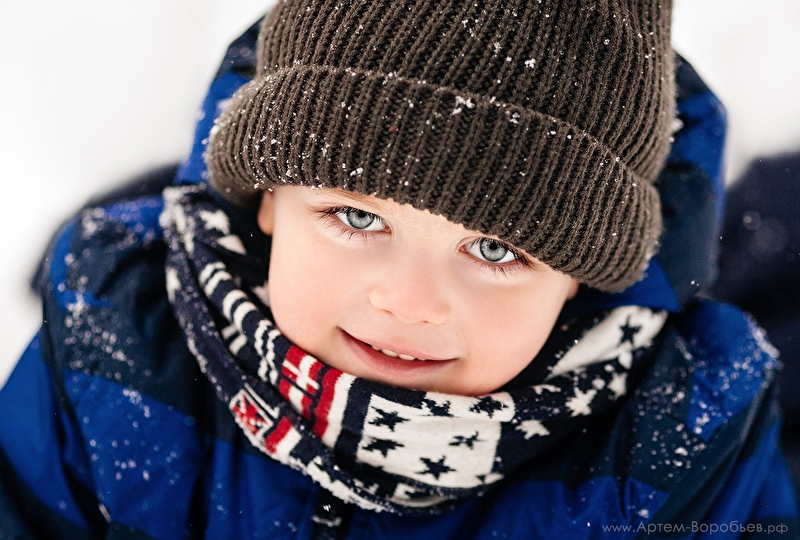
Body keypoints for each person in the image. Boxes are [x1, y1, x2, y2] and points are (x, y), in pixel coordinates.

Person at [1, 1, 798, 538]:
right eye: (356, 216)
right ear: (270, 199)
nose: (410, 302)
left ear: (581, 276)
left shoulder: (678, 441)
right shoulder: (116, 337)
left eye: (495, 249)